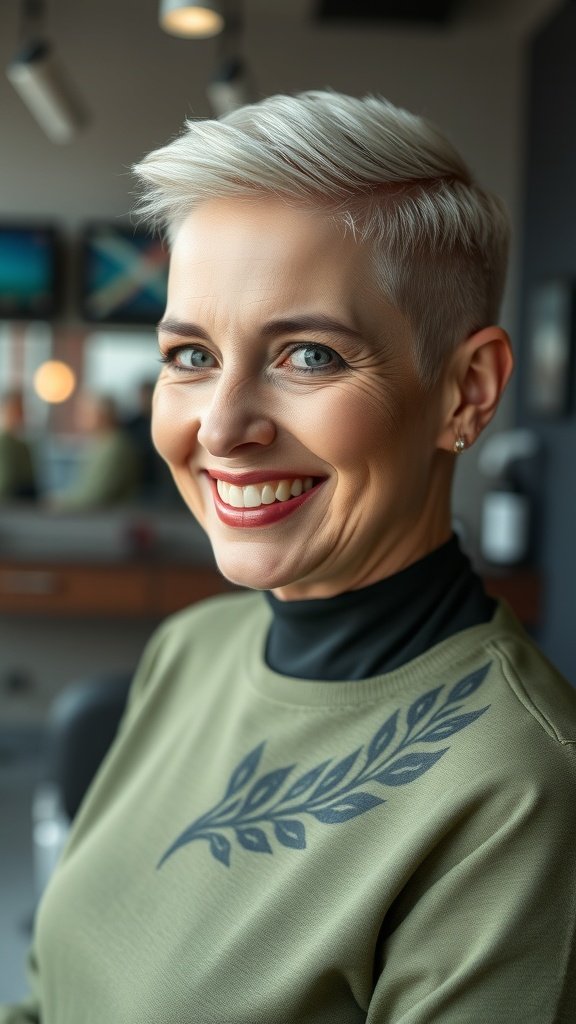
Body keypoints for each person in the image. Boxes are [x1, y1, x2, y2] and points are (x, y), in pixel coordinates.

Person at [3, 91, 575, 1023]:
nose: (222, 427)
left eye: (309, 355)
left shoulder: (518, 792)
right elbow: (48, 993)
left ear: (466, 392)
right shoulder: (190, 650)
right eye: (190, 355)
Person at [50, 392, 141, 509]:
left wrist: (60, 503)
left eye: (85, 413)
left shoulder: (115, 447)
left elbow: (95, 496)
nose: (80, 419)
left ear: (101, 415)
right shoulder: (103, 444)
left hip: (104, 522)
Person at [0, 389, 37, 501]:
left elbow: (6, 481)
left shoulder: (19, 444)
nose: (22, 415)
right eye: (18, 410)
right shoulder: (7, 442)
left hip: (15, 506)